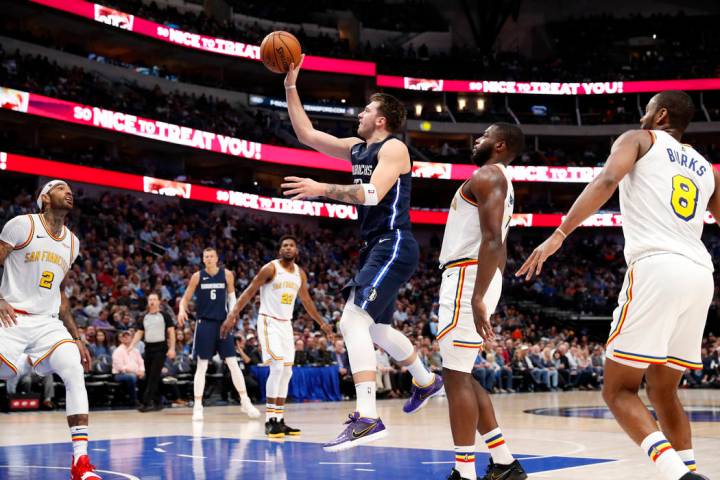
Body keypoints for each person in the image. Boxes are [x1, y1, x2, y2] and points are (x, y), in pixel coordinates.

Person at [517, 90, 716, 480]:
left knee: (618, 390)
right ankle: (688, 468)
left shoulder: (639, 139)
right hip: (699, 273)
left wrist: (560, 233)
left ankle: (680, 475)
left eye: (646, 111)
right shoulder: (706, 167)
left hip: (657, 265)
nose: (641, 118)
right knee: (663, 391)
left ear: (660, 116)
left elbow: (608, 179)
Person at [281, 56, 443, 452]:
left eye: (367, 109)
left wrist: (321, 189)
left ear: (382, 119)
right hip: (376, 247)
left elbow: (372, 193)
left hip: (393, 242)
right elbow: (306, 135)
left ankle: (368, 417)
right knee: (377, 331)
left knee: (352, 319)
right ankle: (425, 380)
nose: (360, 113)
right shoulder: (357, 149)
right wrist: (289, 85)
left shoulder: (394, 150)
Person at [436, 123, 528, 480]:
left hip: (466, 277)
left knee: (455, 376)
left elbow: (492, 240)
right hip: (477, 276)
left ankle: (464, 472)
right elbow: (499, 245)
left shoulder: (489, 174)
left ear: (500, 144)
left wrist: (477, 295)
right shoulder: (502, 180)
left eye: (485, 136)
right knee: (462, 373)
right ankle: (504, 462)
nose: (478, 140)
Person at [0, 180, 101, 479]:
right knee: (7, 372)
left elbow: (60, 292)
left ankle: (80, 462)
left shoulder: (72, 243)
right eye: (60, 188)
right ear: (45, 198)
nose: (68, 192)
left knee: (73, 366)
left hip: (47, 322)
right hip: (12, 317)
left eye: (70, 189)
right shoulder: (22, 225)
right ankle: (23, 363)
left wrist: (77, 336)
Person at [220, 235, 333, 439]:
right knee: (278, 367)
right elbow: (249, 291)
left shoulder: (300, 274)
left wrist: (322, 323)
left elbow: (306, 301)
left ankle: (279, 420)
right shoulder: (270, 269)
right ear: (280, 250)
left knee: (287, 372)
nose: (288, 248)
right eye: (284, 246)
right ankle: (270, 421)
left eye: (291, 245)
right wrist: (232, 315)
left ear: (296, 251)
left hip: (286, 325)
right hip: (268, 322)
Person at [177, 247, 259, 421]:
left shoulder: (227, 274)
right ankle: (198, 406)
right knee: (202, 365)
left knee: (232, 362)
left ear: (217, 258)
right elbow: (185, 298)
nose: (208, 258)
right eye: (205, 256)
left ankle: (245, 401)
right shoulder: (197, 276)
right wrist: (181, 309)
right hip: (204, 323)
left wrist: (233, 314)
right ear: (202, 259)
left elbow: (231, 297)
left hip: (223, 323)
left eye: (211, 256)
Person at [129, 293, 175, 412]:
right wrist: (131, 345)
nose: (152, 301)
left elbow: (171, 332)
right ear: (148, 302)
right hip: (148, 348)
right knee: (149, 376)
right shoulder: (144, 317)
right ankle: (158, 402)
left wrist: (172, 348)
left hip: (161, 348)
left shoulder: (165, 315)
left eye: (154, 299)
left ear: (159, 302)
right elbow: (139, 333)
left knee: (154, 376)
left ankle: (146, 403)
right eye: (150, 299)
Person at [112, 329, 144, 406]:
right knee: (131, 377)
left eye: (128, 336)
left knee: (146, 376)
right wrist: (135, 372)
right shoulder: (117, 351)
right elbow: (120, 367)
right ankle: (133, 400)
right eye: (124, 337)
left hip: (136, 372)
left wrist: (142, 371)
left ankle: (145, 399)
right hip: (119, 374)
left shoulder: (136, 350)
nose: (126, 338)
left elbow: (141, 363)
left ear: (132, 338)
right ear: (120, 339)